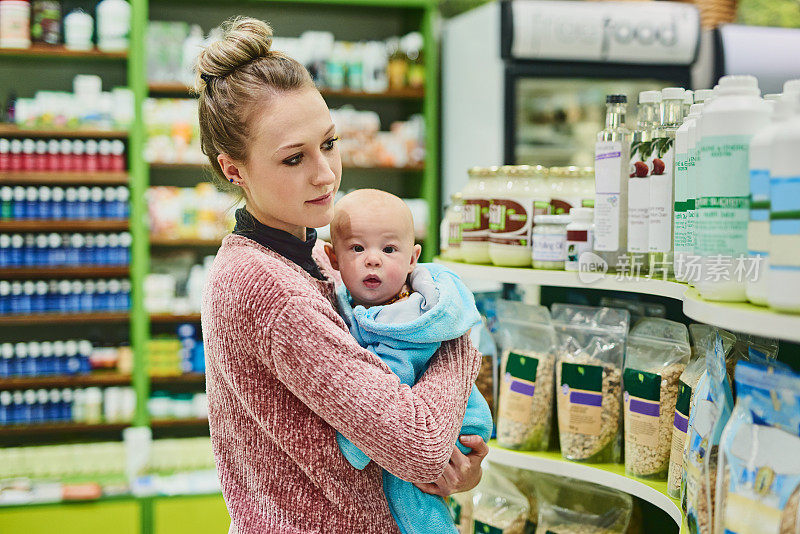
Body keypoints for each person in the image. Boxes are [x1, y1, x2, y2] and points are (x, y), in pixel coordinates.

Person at [196, 17, 488, 533]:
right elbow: (419, 444)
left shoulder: (309, 256)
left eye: (329, 143)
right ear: (233, 170)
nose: (325, 174)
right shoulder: (267, 288)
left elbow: (402, 445)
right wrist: (456, 334)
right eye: (293, 159)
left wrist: (454, 465)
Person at [323, 189, 493, 534]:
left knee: (419, 511)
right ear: (333, 257)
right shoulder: (343, 303)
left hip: (450, 430)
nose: (373, 260)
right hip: (418, 429)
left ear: (413, 257)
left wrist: (353, 447)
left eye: (389, 249)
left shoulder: (409, 315)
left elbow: (388, 378)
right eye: (357, 248)